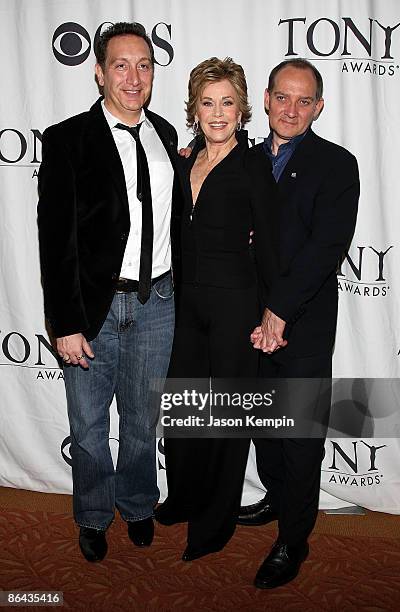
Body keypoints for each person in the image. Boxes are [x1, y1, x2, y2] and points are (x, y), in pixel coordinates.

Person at [37, 22, 183, 562]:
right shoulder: (66, 138)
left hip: (157, 302)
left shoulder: (167, 136)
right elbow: (54, 240)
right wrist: (64, 323)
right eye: (120, 64)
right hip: (92, 310)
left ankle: (140, 504)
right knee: (90, 424)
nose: (133, 76)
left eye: (143, 65)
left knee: (144, 419)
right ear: (98, 72)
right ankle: (94, 515)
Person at [237, 58, 360, 589]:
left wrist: (279, 311)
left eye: (303, 100)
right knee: (263, 426)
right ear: (265, 99)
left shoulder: (337, 164)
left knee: (299, 434)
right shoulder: (238, 158)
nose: (291, 109)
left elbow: (324, 248)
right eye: (282, 98)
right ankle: (276, 497)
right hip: (244, 324)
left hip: (301, 324)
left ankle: (294, 537)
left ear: (319, 107)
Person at [155, 57, 278, 562]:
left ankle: (214, 522)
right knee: (184, 412)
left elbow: (271, 250)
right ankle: (182, 497)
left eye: (228, 102)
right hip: (185, 308)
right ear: (195, 109)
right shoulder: (183, 163)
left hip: (235, 311)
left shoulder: (254, 169)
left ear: (243, 108)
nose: (218, 112)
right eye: (208, 102)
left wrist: (272, 314)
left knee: (226, 421)